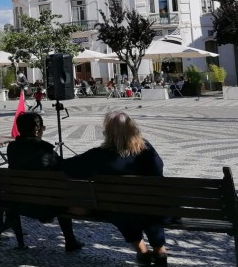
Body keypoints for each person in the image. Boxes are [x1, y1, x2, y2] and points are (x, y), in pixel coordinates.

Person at [64, 111, 167, 266]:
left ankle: (142, 251)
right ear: (133, 130)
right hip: (152, 208)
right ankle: (160, 252)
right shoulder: (146, 150)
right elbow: (158, 171)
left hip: (118, 209)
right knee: (149, 206)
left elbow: (69, 167)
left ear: (108, 134)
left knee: (117, 209)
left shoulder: (98, 155)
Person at [7, 112, 83, 252]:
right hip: (46, 206)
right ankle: (70, 240)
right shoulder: (45, 150)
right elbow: (63, 170)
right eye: (43, 128)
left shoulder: (11, 148)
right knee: (62, 195)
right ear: (37, 129)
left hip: (18, 202)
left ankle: (21, 242)